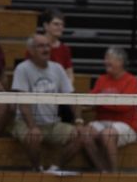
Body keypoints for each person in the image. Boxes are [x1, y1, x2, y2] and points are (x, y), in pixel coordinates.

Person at [11, 33, 103, 173]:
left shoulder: (57, 68)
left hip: (52, 124)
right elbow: (23, 102)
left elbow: (73, 98)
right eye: (41, 46)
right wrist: (32, 127)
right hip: (25, 122)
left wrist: (79, 121)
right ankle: (37, 170)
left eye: (48, 46)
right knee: (33, 136)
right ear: (31, 50)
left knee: (82, 135)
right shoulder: (22, 69)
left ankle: (55, 168)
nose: (46, 49)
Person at [86, 48, 137, 173]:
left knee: (107, 134)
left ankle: (114, 174)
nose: (105, 62)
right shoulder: (101, 79)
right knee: (85, 134)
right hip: (103, 121)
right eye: (105, 59)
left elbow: (124, 106)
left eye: (109, 59)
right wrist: (106, 102)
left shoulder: (132, 81)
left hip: (126, 124)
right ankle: (102, 171)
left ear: (120, 61)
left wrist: (101, 101)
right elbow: (91, 99)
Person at [37, 9, 75, 84]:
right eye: (56, 24)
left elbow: (69, 74)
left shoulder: (65, 49)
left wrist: (67, 87)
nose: (60, 27)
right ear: (46, 26)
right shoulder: (35, 46)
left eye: (62, 25)